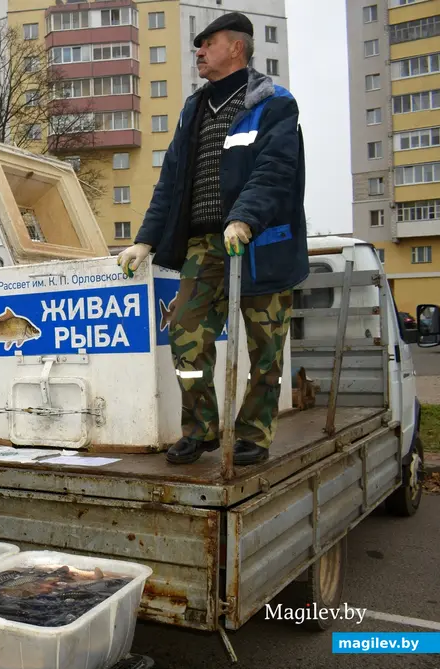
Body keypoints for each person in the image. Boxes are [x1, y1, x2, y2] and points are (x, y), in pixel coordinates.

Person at [117, 12, 308, 466]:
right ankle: (200, 428)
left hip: (261, 243)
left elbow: (274, 169)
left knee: (265, 347)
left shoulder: (274, 103)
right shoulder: (195, 108)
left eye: (207, 43)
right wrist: (144, 239)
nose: (198, 51)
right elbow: (173, 181)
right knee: (184, 332)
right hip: (206, 245)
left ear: (236, 47)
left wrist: (243, 218)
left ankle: (254, 435)